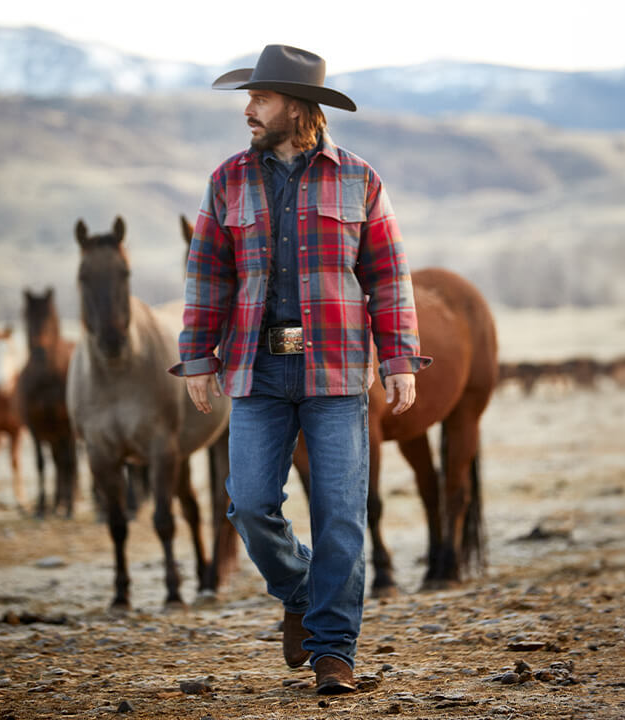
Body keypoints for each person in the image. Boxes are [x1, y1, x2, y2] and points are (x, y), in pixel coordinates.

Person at [171, 44, 429, 695]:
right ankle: (302, 589)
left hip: (338, 374)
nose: (249, 111)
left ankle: (334, 652)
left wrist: (398, 359)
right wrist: (198, 355)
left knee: (341, 513)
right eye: (248, 99)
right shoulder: (226, 181)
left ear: (296, 106)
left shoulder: (360, 180)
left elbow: (388, 279)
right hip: (257, 373)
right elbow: (207, 276)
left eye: (259, 99)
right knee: (250, 505)